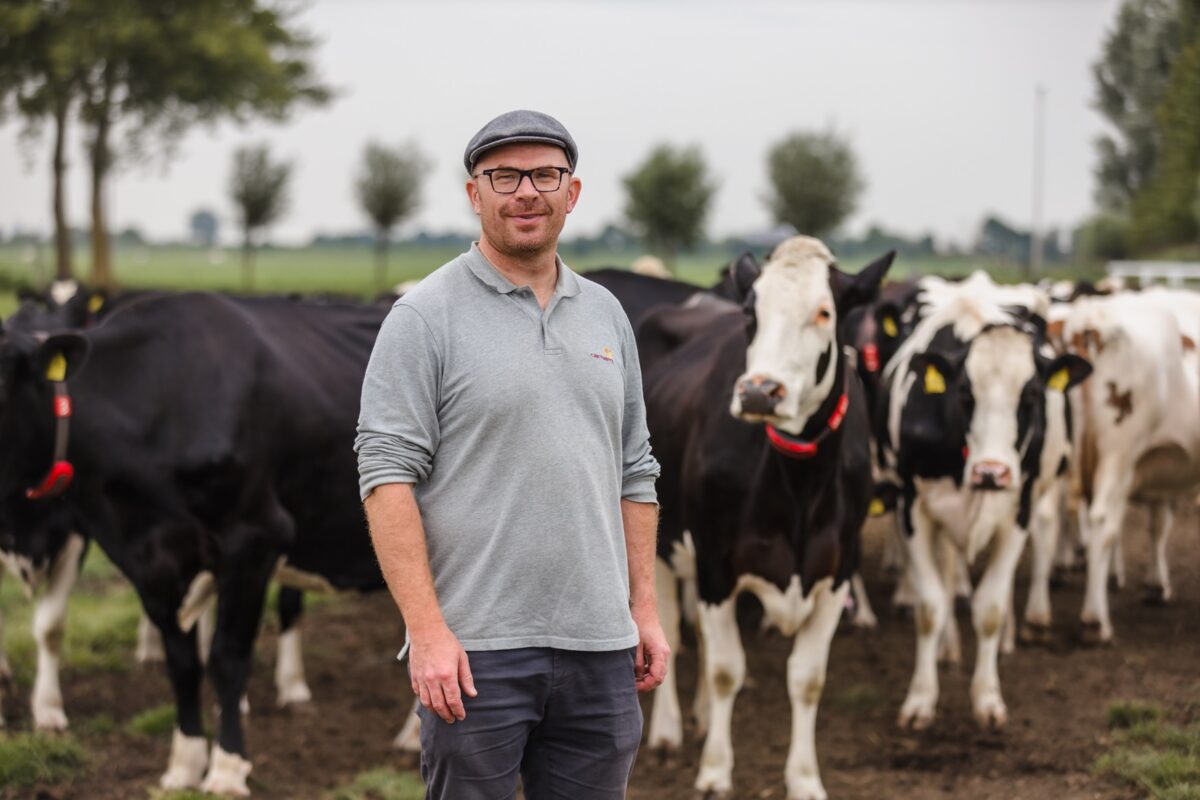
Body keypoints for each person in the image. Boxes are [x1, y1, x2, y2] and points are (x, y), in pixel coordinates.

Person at [355, 109, 668, 799]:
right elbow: (385, 478)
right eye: (505, 176)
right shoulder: (423, 318)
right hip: (476, 656)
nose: (527, 191)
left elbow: (636, 470)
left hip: (599, 650)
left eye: (545, 175)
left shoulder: (607, 315)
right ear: (475, 194)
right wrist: (428, 632)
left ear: (573, 192)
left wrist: (642, 610)